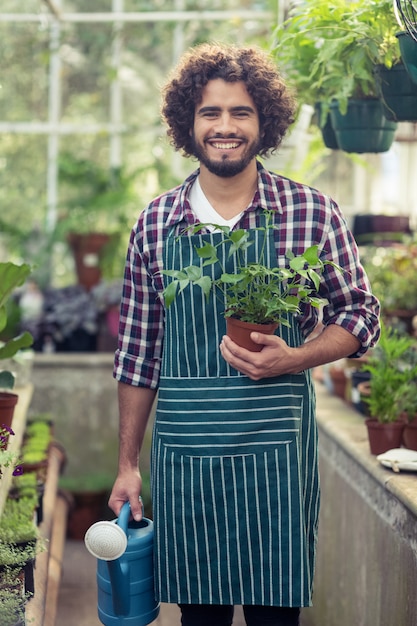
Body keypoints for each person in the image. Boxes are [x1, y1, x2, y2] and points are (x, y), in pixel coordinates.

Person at [109, 43, 380, 626]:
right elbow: (137, 356)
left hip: (275, 464)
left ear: (265, 123)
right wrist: (128, 464)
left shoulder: (310, 212)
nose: (225, 127)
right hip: (187, 462)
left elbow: (361, 316)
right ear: (189, 123)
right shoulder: (156, 223)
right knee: (200, 617)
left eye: (240, 112)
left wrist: (296, 357)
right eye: (210, 113)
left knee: (273, 617)